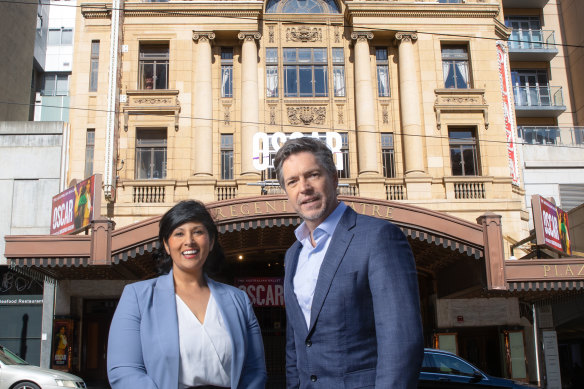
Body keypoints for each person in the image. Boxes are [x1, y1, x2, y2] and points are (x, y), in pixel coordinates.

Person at [274, 137, 424, 388]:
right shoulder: (293, 254)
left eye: (312, 175)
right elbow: (296, 344)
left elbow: (401, 341)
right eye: (292, 181)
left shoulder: (379, 237)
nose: (304, 188)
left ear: (333, 178)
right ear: (287, 191)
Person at [107, 200, 267, 389]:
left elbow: (255, 370)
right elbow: (124, 371)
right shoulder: (137, 297)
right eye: (179, 233)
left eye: (198, 232)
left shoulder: (238, 299)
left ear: (211, 241)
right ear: (167, 245)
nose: (189, 241)